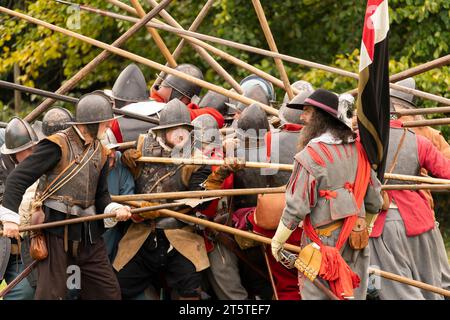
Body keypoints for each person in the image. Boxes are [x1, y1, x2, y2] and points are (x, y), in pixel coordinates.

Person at [0, 91, 132, 300]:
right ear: (90, 123)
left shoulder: (101, 152)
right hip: (55, 229)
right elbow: (18, 178)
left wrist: (115, 209)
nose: (108, 126)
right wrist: (9, 219)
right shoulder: (56, 145)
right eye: (104, 122)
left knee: (108, 293)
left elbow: (102, 196)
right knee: (51, 295)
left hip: (89, 233)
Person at [271, 88, 383, 300]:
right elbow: (375, 199)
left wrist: (277, 242)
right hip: (355, 237)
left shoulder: (310, 156)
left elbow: (296, 207)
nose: (302, 117)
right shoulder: (360, 150)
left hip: (321, 244)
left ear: (320, 118)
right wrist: (365, 226)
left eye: (307, 111)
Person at [115, 98, 211, 300]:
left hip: (180, 234)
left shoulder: (199, 159)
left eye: (183, 129)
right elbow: (125, 184)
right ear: (162, 131)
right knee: (117, 286)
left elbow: (197, 201)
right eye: (173, 129)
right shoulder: (141, 145)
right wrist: (125, 161)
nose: (179, 135)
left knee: (190, 290)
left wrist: (159, 209)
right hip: (142, 232)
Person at [368, 90, 450, 300]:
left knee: (397, 290)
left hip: (382, 224)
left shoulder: (362, 140)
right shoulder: (419, 141)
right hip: (421, 221)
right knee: (431, 287)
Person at [0, 117, 39, 300]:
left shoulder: (37, 163)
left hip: (19, 247)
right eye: (27, 150)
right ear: (14, 152)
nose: (32, 154)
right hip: (2, 240)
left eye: (33, 148)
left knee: (26, 291)